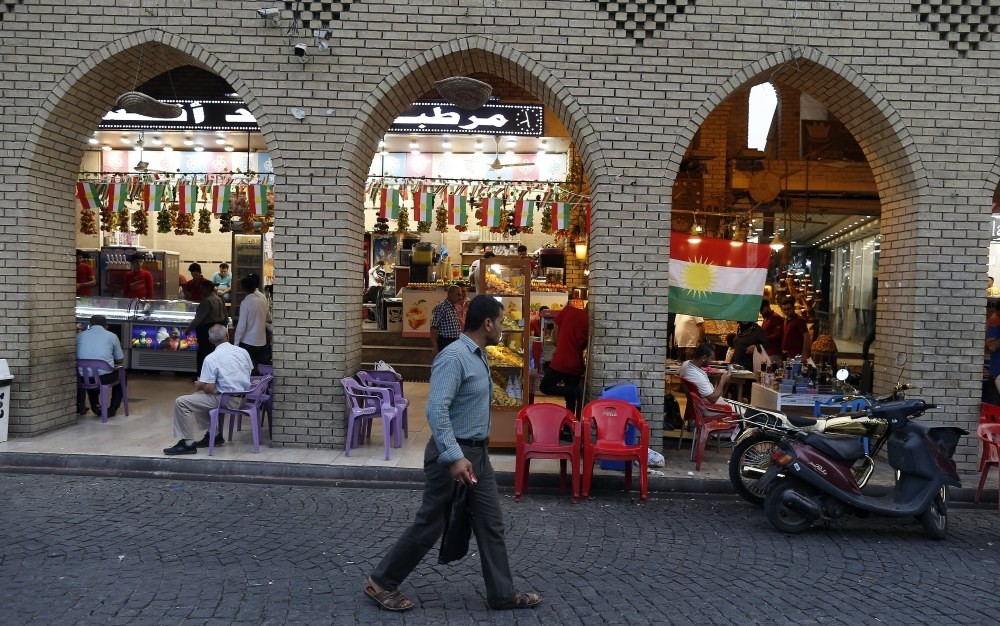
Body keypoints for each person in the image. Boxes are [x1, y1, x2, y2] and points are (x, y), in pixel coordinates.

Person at [364, 295, 542, 612]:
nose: (503, 327)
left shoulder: (479, 356)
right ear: (487, 323)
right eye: (501, 321)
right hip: (453, 455)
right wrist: (455, 456)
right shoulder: (454, 357)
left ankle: (501, 593)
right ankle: (381, 582)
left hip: (478, 456)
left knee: (491, 523)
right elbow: (436, 410)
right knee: (431, 524)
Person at [163, 324, 253, 455]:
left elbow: (210, 388)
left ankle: (187, 443)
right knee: (198, 397)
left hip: (227, 400)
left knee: (182, 402)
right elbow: (248, 372)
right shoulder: (243, 352)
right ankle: (214, 434)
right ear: (228, 336)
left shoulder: (211, 358)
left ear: (210, 340)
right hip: (244, 398)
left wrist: (200, 384)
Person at [539, 297, 588, 415]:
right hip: (576, 364)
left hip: (560, 362)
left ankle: (574, 390)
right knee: (570, 401)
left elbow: (555, 331)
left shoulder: (567, 310)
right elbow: (584, 345)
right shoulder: (589, 321)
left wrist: (558, 343)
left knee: (544, 387)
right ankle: (569, 429)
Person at [76, 314, 124, 416]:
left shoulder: (79, 336)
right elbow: (120, 359)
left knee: (91, 374)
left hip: (81, 378)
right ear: (106, 326)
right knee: (122, 375)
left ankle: (95, 404)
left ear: (90, 324)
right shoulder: (112, 336)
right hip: (103, 378)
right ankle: (113, 408)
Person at [679, 343, 734, 417]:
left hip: (703, 405)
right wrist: (722, 381)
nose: (712, 361)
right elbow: (713, 399)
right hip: (709, 408)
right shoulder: (697, 376)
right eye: (711, 358)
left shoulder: (686, 364)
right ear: (704, 358)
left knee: (743, 409)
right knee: (747, 414)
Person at [187, 280, 227, 376]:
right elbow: (225, 315)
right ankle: (214, 373)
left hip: (206, 330)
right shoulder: (220, 299)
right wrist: (224, 328)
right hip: (219, 327)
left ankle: (202, 374)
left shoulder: (206, 301)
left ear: (208, 288)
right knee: (215, 352)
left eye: (202, 288)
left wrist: (189, 328)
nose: (201, 291)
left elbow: (199, 318)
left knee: (203, 352)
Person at [234, 273, 271, 372]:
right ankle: (261, 387)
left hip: (248, 342)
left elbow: (242, 325)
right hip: (262, 342)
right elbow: (264, 320)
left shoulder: (246, 303)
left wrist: (236, 343)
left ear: (242, 288)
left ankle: (250, 387)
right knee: (261, 371)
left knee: (246, 370)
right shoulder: (262, 301)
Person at [430, 285, 463, 356]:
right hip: (445, 342)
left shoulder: (453, 307)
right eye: (458, 295)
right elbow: (433, 328)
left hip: (455, 341)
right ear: (450, 294)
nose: (460, 298)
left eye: (461, 295)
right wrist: (435, 347)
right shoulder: (442, 307)